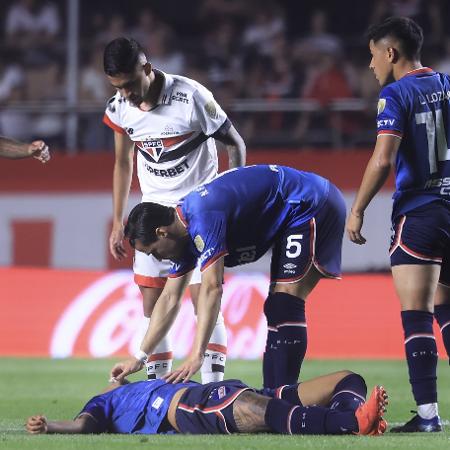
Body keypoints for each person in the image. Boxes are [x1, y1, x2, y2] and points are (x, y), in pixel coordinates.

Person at [110, 164, 346, 389]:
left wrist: (197, 355)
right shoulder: (183, 232)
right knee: (276, 307)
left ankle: (283, 398)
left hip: (310, 203)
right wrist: (139, 357)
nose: (158, 259)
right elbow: (170, 297)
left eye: (153, 252)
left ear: (161, 233)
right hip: (293, 213)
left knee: (285, 304)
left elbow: (212, 288)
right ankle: (275, 394)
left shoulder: (202, 217)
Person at [103, 37, 246, 383]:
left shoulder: (191, 97)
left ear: (147, 69)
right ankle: (156, 392)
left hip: (197, 215)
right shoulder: (119, 107)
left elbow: (235, 144)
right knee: (153, 308)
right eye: (119, 88)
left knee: (204, 304)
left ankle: (214, 390)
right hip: (152, 219)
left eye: (131, 85)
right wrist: (119, 219)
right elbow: (123, 162)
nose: (127, 95)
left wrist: (230, 202)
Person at [346, 17, 449, 432]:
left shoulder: (395, 94)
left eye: (372, 55)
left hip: (421, 212)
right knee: (445, 307)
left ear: (391, 53)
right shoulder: (446, 82)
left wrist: (357, 209)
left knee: (416, 315)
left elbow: (383, 158)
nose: (370, 65)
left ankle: (427, 416)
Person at [26, 370, 388, 436]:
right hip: (186, 408)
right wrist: (50, 426)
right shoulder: (101, 404)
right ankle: (349, 423)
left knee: (346, 379)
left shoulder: (133, 385)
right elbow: (83, 425)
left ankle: (350, 414)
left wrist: (124, 376)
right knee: (249, 408)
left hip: (218, 390)